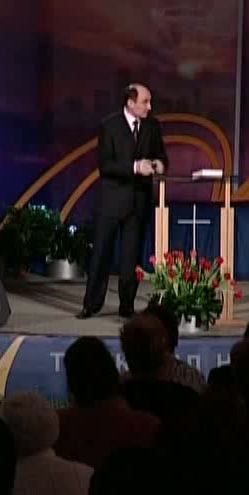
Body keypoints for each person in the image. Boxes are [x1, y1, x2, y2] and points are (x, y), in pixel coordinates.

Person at [77, 83, 168, 319]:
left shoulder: (152, 126)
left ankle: (126, 305)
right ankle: (91, 305)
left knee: (131, 259)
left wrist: (159, 164)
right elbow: (106, 165)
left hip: (138, 202)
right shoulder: (109, 126)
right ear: (130, 103)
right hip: (111, 201)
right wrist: (136, 167)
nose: (150, 106)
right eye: (145, 102)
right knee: (101, 255)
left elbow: (161, 155)